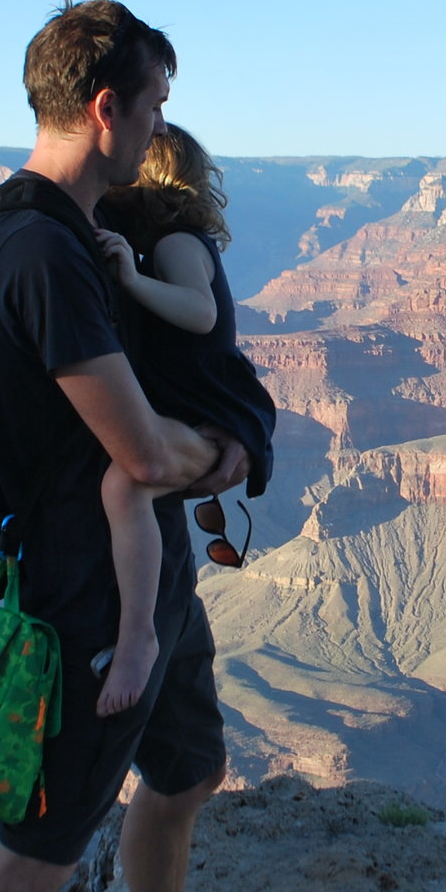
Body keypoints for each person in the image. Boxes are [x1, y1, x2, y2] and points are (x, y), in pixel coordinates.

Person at [0, 0, 288, 892]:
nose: (159, 128)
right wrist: (231, 452)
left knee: (189, 767)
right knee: (23, 873)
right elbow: (142, 455)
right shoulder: (41, 251)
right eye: (153, 106)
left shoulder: (59, 232)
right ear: (107, 107)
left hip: (151, 571)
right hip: (93, 606)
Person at [90, 124, 277, 719]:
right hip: (198, 392)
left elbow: (200, 313)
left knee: (123, 486)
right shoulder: (179, 238)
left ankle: (136, 633)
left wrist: (131, 279)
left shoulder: (173, 242)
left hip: (203, 395)